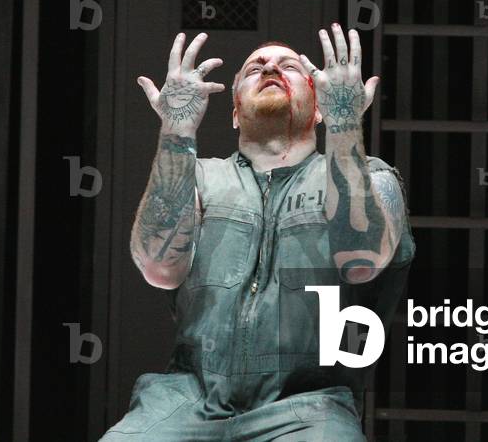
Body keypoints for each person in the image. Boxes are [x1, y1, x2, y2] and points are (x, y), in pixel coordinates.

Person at [100, 24, 415, 441]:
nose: (270, 67)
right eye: (254, 68)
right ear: (233, 113)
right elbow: (159, 267)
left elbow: (361, 264)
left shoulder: (371, 177)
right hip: (186, 400)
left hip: (309, 406)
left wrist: (343, 124)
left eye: (288, 65)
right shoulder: (195, 178)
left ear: (319, 107)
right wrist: (176, 131)